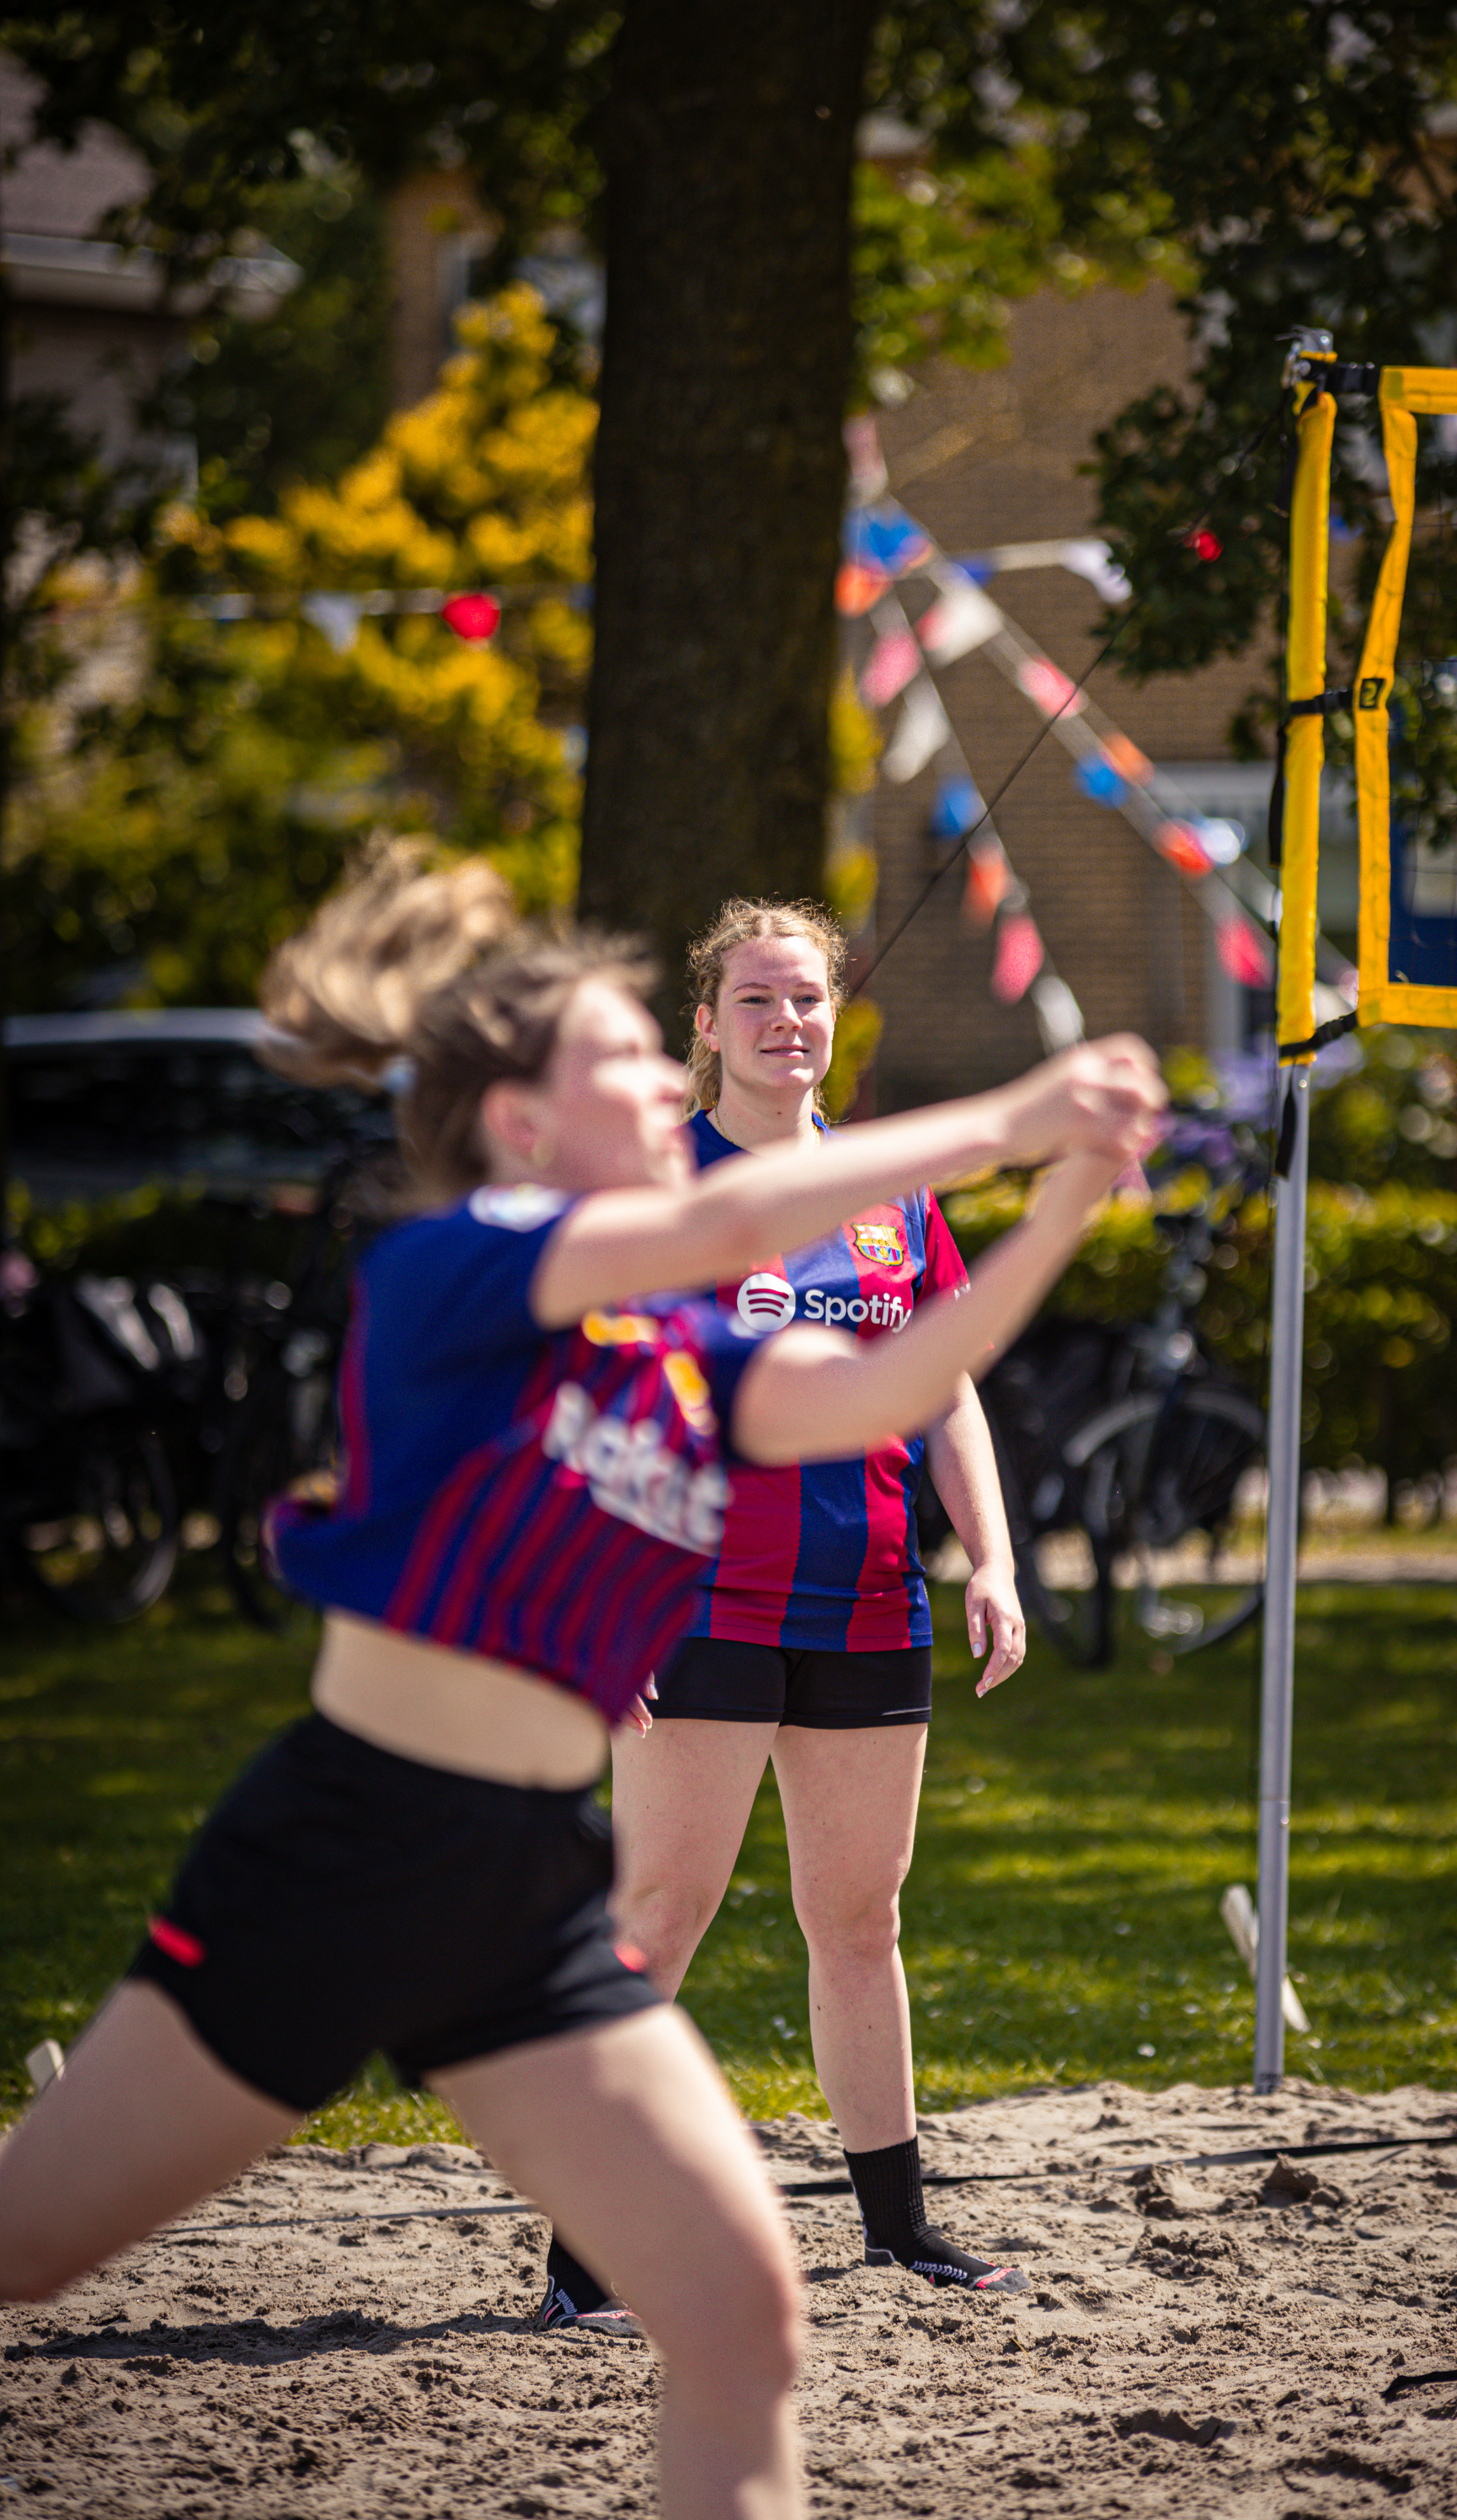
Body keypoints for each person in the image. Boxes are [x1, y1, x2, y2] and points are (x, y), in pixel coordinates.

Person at [0, 843, 1166, 2520]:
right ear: (523, 1121)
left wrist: (1063, 1196)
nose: (657, 1068)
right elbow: (726, 1209)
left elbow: (901, 1373)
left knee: (741, 2315)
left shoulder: (687, 1345)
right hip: (350, 1851)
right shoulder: (457, 1265)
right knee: (28, 2246)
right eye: (619, 1052)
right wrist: (1009, 1117)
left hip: (528, 1896)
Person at [539, 899, 1047, 2333]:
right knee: (661, 1915)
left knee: (859, 1915)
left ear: (837, 1019)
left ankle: (900, 2231)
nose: (786, 1024)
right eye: (756, 1000)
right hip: (690, 1606)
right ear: (706, 1024)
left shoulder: (889, 1190)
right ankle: (586, 2255)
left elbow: (946, 1386)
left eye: (809, 999)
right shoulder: (664, 1193)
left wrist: (993, 1560)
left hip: (873, 1601)